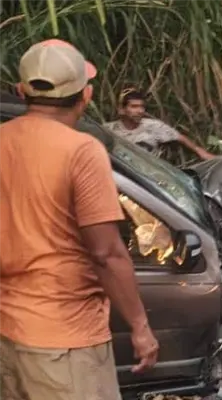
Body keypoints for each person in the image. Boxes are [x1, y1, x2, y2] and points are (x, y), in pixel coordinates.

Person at [0, 39, 159, 400]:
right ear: (85, 96)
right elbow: (106, 252)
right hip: (65, 343)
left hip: (8, 332)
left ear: (21, 90)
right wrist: (140, 327)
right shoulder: (82, 151)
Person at [104, 88, 215, 160]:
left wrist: (201, 152)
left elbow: (180, 137)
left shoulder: (153, 126)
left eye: (142, 107)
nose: (140, 111)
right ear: (121, 110)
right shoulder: (108, 130)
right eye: (134, 107)